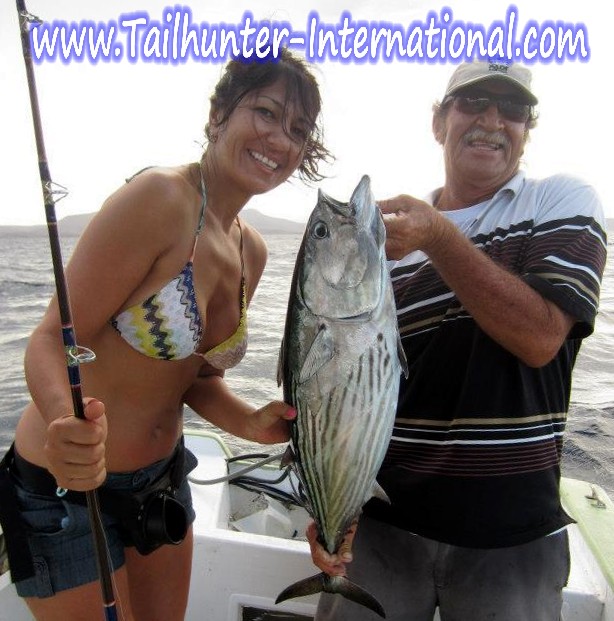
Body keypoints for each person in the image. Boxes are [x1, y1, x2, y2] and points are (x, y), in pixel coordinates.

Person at [0, 48, 331, 621]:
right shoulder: (161, 198)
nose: (280, 138)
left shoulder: (252, 249)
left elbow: (194, 379)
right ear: (218, 114)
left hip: (160, 483)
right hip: (64, 488)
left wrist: (249, 422)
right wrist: (61, 424)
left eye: (298, 129)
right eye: (266, 112)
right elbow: (51, 339)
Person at [308, 61, 608, 621]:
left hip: (509, 535)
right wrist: (334, 496)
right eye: (473, 103)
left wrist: (439, 237)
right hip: (384, 523)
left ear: (527, 129)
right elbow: (348, 392)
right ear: (439, 122)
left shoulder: (560, 203)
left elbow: (541, 336)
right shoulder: (385, 250)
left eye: (512, 109)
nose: (492, 120)